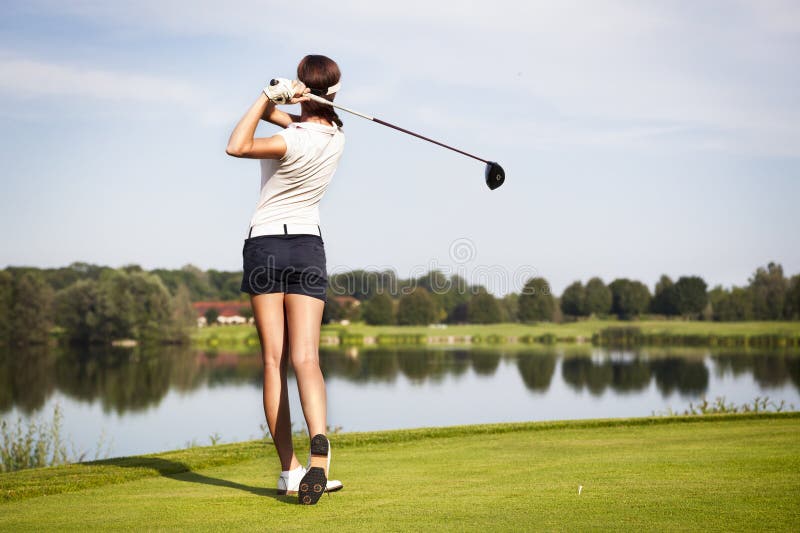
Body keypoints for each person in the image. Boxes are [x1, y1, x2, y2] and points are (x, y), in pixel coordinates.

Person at [225, 54, 344, 505]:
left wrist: (264, 95)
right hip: (307, 248)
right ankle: (320, 450)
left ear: (306, 91)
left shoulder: (285, 141)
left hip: (265, 246)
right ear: (333, 93)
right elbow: (299, 119)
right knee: (307, 359)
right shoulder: (335, 137)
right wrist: (292, 97)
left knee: (274, 362)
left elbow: (237, 145)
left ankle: (289, 471)